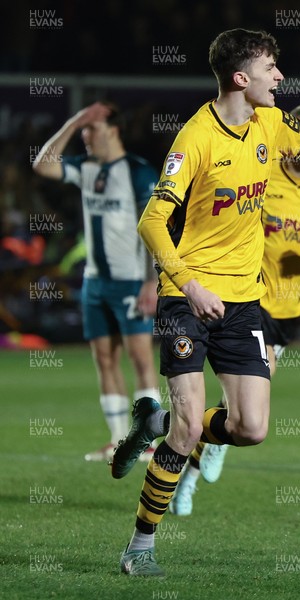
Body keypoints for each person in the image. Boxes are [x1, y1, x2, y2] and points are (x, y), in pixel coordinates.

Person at [111, 29, 300, 577]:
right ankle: (139, 547)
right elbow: (151, 221)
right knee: (187, 431)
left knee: (250, 428)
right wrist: (189, 282)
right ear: (240, 78)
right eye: (272, 68)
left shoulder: (271, 124)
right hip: (188, 295)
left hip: (244, 300)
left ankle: (152, 419)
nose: (280, 77)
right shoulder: (195, 139)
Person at [168, 103, 300, 515]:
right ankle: (194, 459)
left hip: (291, 306)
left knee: (243, 406)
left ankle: (189, 477)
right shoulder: (262, 170)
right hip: (248, 296)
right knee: (253, 392)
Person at [32, 101, 164, 462]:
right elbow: (42, 165)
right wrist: (74, 122)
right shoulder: (86, 168)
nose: (87, 136)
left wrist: (150, 281)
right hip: (95, 281)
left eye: (94, 128)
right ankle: (119, 439)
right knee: (105, 359)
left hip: (130, 282)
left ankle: (147, 442)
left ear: (114, 129)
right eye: (85, 130)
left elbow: (153, 228)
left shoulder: (138, 172)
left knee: (140, 358)